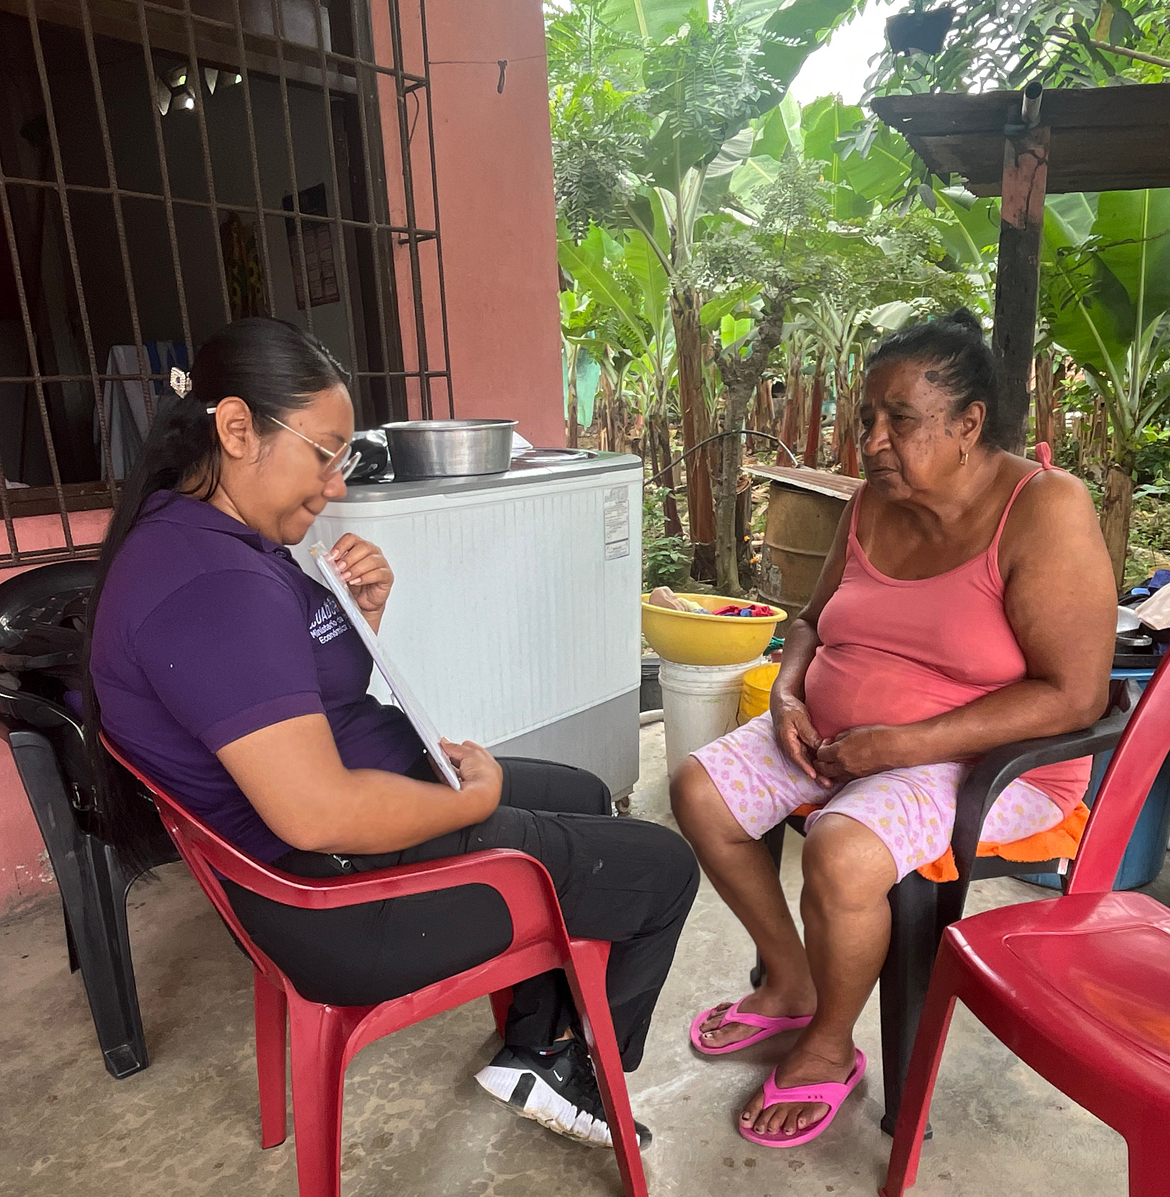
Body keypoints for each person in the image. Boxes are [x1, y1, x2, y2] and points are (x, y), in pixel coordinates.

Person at [86, 318, 698, 1149]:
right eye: (324, 453)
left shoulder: (202, 536)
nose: (335, 485)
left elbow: (286, 696)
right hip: (344, 900)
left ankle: (534, 1047)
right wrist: (469, 806)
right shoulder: (211, 585)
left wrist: (356, 619)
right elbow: (318, 813)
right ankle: (579, 1074)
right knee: (663, 868)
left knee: (587, 794)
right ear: (235, 429)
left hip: (351, 843)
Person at [670, 310, 1117, 1147]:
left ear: (968, 424)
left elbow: (1074, 696)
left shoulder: (1045, 510)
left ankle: (830, 1044)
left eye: (898, 420)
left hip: (987, 760)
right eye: (866, 418)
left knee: (841, 852)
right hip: (836, 741)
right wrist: (787, 698)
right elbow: (809, 621)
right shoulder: (871, 502)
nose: (872, 441)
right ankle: (793, 979)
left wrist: (903, 745)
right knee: (698, 790)